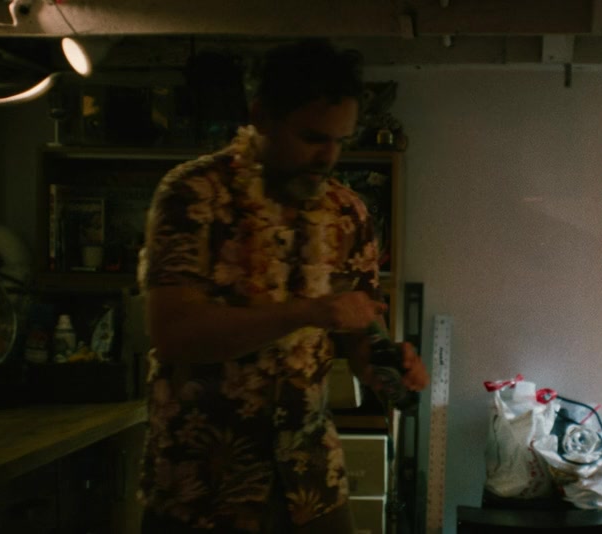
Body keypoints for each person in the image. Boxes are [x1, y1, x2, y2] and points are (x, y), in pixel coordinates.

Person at [136, 39, 429, 533]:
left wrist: (387, 364)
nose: (328, 157)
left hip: (311, 482)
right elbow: (175, 333)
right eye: (313, 137)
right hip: (201, 486)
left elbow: (361, 331)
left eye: (340, 140)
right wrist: (307, 312)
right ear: (262, 116)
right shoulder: (192, 194)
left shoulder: (347, 211)